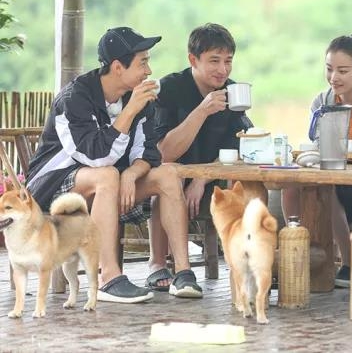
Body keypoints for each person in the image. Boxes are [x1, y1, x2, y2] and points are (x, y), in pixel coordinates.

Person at [26, 26, 202, 303]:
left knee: (169, 173)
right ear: (118, 67)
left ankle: (182, 273)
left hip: (111, 188)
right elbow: (96, 156)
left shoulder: (137, 98)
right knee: (106, 175)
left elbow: (149, 154)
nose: (148, 71)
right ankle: (107, 278)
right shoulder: (74, 98)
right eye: (142, 63)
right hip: (51, 190)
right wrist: (129, 111)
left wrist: (131, 174)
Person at [152, 23, 261, 289]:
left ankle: (247, 262)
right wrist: (202, 111)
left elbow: (240, 146)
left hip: (211, 178)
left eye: (228, 61)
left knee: (249, 185)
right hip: (170, 174)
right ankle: (158, 264)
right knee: (169, 179)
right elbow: (164, 152)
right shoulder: (170, 89)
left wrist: (201, 179)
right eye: (214, 60)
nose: (223, 69)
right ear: (193, 60)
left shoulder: (232, 92)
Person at [281, 34, 352, 288]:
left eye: (342, 71)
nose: (333, 77)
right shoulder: (321, 102)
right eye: (329, 69)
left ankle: (351, 264)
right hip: (331, 178)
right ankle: (299, 253)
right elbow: (318, 146)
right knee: (290, 185)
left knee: (327, 189)